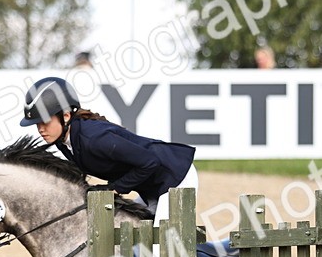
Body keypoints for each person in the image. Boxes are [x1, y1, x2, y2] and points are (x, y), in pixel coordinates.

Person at [19, 76, 197, 227]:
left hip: (176, 177)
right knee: (132, 238)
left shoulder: (94, 139)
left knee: (160, 249)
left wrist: (115, 188)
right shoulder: (64, 141)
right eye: (37, 124)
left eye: (44, 122)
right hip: (151, 187)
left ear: (65, 116)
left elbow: (150, 162)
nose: (40, 129)